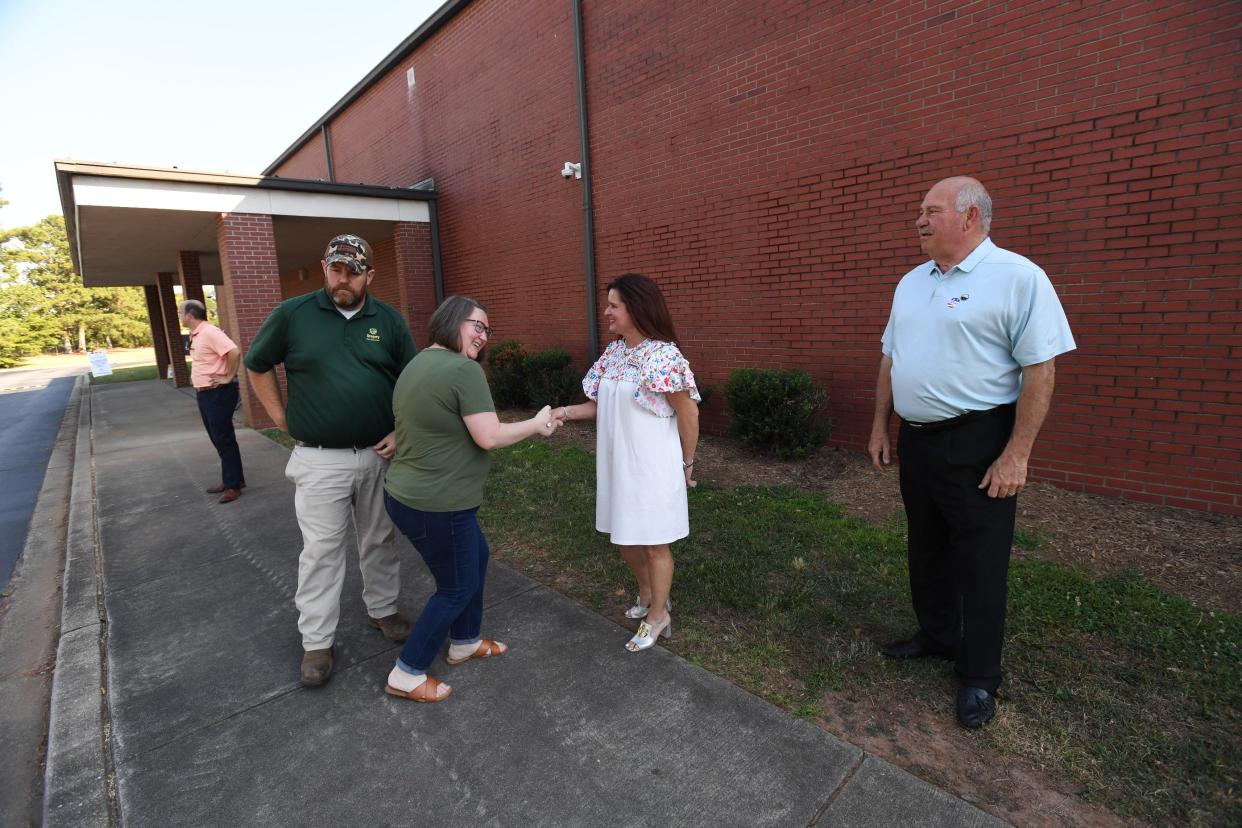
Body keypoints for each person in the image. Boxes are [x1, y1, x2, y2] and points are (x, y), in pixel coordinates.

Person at [868, 176, 1076, 729]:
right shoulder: (911, 283)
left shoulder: (1017, 278)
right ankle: (937, 636)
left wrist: (1017, 454)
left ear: (970, 217)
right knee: (927, 545)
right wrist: (880, 426)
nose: (918, 219)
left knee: (981, 561)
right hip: (918, 439)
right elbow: (891, 358)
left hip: (979, 439)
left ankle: (980, 676)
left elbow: (1041, 369)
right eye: (919, 209)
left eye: (930, 209)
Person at [244, 233, 418, 687]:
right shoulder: (293, 314)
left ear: (370, 275)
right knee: (321, 552)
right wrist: (280, 417)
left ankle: (384, 610)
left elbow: (413, 382)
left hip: (378, 457)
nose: (344, 279)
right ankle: (317, 642)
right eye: (337, 269)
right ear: (325, 267)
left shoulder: (389, 321)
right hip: (320, 460)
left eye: (354, 271)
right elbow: (257, 364)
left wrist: (401, 431)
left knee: (379, 539)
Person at [382, 296, 560, 702]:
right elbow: (490, 436)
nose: (482, 335)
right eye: (475, 325)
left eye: (486, 329)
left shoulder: (419, 363)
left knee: (476, 557)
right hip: (436, 504)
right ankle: (407, 672)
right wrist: (536, 424)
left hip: (412, 496)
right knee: (455, 587)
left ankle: (464, 641)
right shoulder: (464, 370)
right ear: (449, 322)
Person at [556, 273, 700, 653]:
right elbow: (597, 404)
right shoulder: (615, 352)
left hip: (652, 466)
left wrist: (687, 463)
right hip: (618, 465)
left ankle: (658, 616)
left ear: (636, 309)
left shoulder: (663, 355)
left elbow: (688, 414)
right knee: (624, 539)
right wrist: (561, 414)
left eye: (613, 305)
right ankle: (650, 593)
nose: (607, 312)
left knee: (654, 543)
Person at [180, 299, 245, 503]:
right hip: (205, 394)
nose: (179, 315)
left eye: (180, 311)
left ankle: (232, 485)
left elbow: (234, 351)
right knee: (218, 438)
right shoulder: (197, 334)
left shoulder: (209, 332)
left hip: (218, 393)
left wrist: (228, 376)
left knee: (223, 438)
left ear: (190, 315)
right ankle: (233, 479)